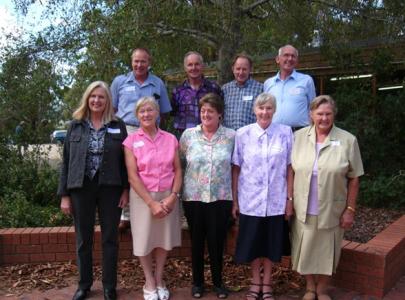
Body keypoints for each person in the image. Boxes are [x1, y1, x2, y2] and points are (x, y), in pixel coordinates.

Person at [58, 81, 129, 300]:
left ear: (108, 100)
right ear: (87, 99)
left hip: (111, 188)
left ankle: (109, 286)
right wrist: (65, 195)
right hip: (81, 187)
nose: (97, 100)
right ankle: (84, 285)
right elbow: (67, 161)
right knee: (83, 239)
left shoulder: (118, 125)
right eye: (93, 96)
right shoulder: (76, 125)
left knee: (110, 238)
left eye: (101, 97)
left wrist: (126, 190)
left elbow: (126, 162)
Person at [291, 95, 364, 300]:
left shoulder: (348, 140)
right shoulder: (297, 138)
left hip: (333, 209)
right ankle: (310, 287)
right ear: (311, 115)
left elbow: (355, 179)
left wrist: (350, 210)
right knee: (304, 248)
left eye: (328, 114)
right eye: (319, 114)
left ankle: (322, 289)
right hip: (303, 206)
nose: (324, 118)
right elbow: (290, 171)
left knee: (327, 252)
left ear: (334, 115)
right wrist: (289, 201)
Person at [232, 93, 293, 300]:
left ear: (274, 110)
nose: (265, 112)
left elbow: (290, 168)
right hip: (251, 200)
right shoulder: (243, 134)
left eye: (269, 108)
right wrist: (235, 200)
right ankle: (254, 282)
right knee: (254, 244)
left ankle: (267, 283)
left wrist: (289, 200)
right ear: (254, 110)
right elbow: (236, 169)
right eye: (261, 108)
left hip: (276, 200)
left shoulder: (285, 133)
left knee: (270, 245)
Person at [123, 96, 182, 300]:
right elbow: (132, 175)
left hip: (167, 196)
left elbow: (177, 169)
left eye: (150, 110)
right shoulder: (130, 141)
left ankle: (159, 278)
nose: (146, 114)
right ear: (137, 115)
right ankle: (148, 281)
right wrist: (151, 203)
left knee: (163, 239)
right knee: (144, 240)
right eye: (142, 111)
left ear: (157, 113)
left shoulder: (170, 139)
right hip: (142, 198)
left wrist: (174, 196)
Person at [179, 93, 235, 299]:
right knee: (196, 241)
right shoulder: (188, 135)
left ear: (219, 114)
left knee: (217, 242)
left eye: (210, 111)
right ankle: (197, 283)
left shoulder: (231, 136)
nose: (205, 114)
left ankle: (219, 283)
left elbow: (236, 167)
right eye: (202, 111)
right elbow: (180, 163)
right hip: (193, 197)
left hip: (220, 198)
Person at [111, 47, 172, 230]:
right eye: (136, 61)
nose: (139, 65)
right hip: (127, 130)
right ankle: (126, 214)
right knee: (127, 171)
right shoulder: (119, 82)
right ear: (131, 62)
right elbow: (113, 109)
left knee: (149, 170)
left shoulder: (157, 83)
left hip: (151, 131)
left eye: (143, 61)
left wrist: (154, 129)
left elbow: (165, 111)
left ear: (149, 62)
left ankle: (151, 205)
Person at [264, 45, 316, 131]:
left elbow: (314, 108)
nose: (290, 59)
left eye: (293, 56)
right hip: (274, 132)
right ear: (278, 59)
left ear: (297, 61)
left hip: (300, 132)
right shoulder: (268, 83)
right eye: (286, 55)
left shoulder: (306, 80)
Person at [171, 51, 222, 138]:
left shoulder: (213, 88)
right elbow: (173, 113)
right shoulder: (178, 91)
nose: (193, 68)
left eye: (197, 64)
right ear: (185, 68)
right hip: (184, 138)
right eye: (190, 65)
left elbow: (220, 112)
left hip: (209, 137)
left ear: (202, 66)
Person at [222, 53, 263, 130]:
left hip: (251, 136)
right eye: (238, 69)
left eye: (244, 69)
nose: (241, 72)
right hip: (229, 137)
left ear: (250, 69)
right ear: (233, 69)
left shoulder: (260, 89)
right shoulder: (225, 89)